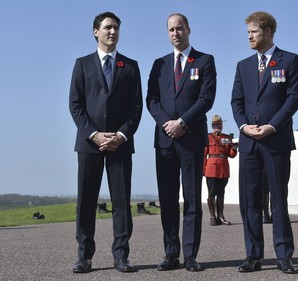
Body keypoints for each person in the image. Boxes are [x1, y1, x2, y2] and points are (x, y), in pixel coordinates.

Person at [69, 12, 143, 273]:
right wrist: (95, 135)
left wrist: (120, 135)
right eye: (108, 28)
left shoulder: (130, 66)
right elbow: (75, 105)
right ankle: (84, 256)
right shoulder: (82, 64)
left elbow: (136, 108)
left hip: (120, 144)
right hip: (89, 144)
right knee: (86, 202)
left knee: (121, 202)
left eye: (116, 28)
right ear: (95, 32)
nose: (113, 32)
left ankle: (121, 256)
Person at [231, 11, 298, 274]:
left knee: (278, 199)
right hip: (248, 142)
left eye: (254, 31)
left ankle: (284, 255)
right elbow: (236, 102)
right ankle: (253, 255)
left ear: (269, 32)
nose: (249, 36)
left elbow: (293, 98)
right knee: (249, 200)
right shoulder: (243, 66)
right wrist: (243, 126)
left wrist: (272, 125)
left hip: (276, 141)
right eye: (248, 32)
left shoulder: (291, 60)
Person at [146, 13, 216, 272]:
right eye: (171, 30)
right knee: (167, 199)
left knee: (192, 198)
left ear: (189, 30)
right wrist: (167, 123)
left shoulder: (205, 61)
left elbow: (206, 98)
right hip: (165, 141)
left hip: (191, 139)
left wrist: (182, 123)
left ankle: (190, 255)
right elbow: (151, 100)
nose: (176, 33)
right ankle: (170, 253)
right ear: (168, 33)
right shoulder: (159, 64)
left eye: (180, 28)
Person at [203, 114, 237, 226]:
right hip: (211, 168)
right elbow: (204, 155)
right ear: (213, 125)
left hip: (223, 168)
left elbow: (231, 155)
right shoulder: (208, 137)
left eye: (220, 124)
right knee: (212, 194)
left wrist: (234, 148)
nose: (219, 126)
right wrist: (203, 170)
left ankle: (221, 216)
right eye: (216, 124)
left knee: (221, 193)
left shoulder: (226, 138)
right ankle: (213, 217)